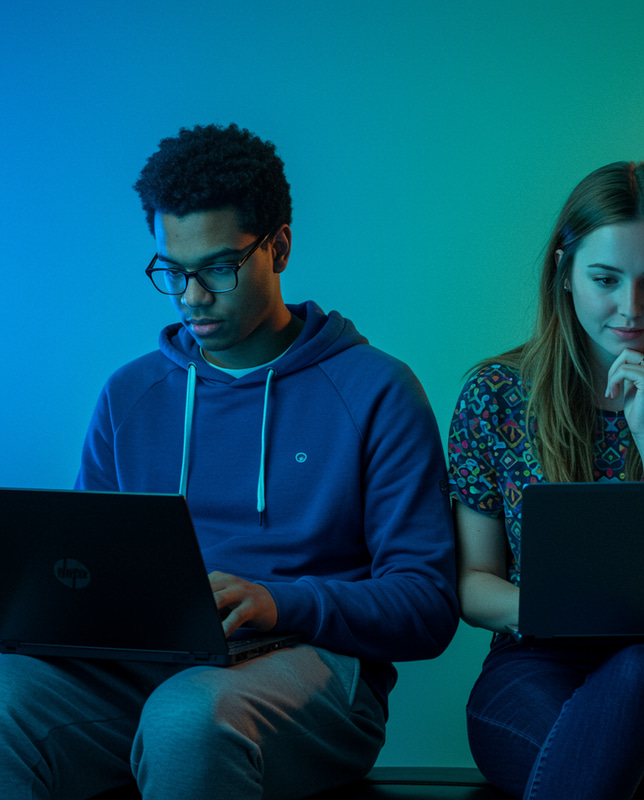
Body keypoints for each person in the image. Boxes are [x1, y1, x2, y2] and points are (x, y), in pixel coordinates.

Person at [0, 123, 459, 800]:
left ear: (278, 246)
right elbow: (86, 578)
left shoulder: (376, 390)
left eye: (218, 267)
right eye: (172, 271)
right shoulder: (131, 394)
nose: (191, 297)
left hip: (310, 665)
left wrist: (281, 603)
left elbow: (427, 605)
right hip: (146, 670)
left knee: (188, 720)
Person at [448, 161, 644, 800]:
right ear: (564, 273)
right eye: (605, 279)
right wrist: (564, 615)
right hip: (534, 665)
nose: (631, 308)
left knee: (641, 666)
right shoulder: (498, 395)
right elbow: (473, 584)